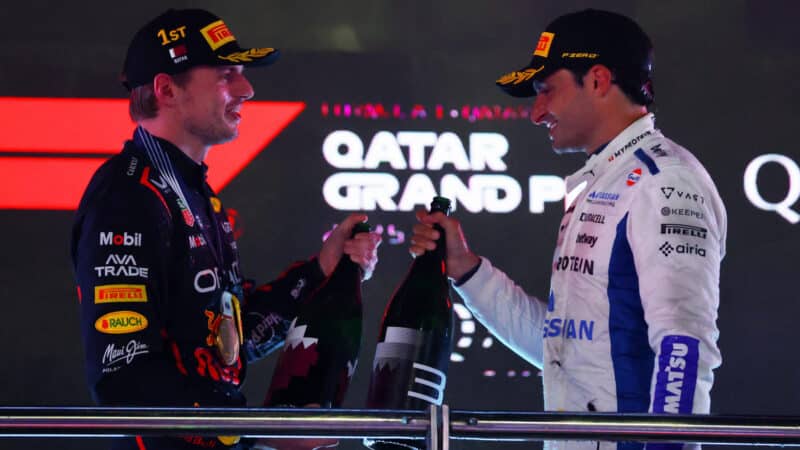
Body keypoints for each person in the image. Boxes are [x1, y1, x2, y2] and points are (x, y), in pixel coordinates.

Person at [410, 9, 726, 449]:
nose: (537, 112)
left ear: (598, 80)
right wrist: (466, 270)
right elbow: (562, 348)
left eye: (546, 90)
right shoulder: (602, 181)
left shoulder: (664, 181)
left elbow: (684, 345)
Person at [70, 8, 381, 450]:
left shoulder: (194, 192)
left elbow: (230, 341)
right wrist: (256, 433)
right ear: (166, 89)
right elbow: (124, 378)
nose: (246, 89)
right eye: (225, 75)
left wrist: (319, 272)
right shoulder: (127, 196)